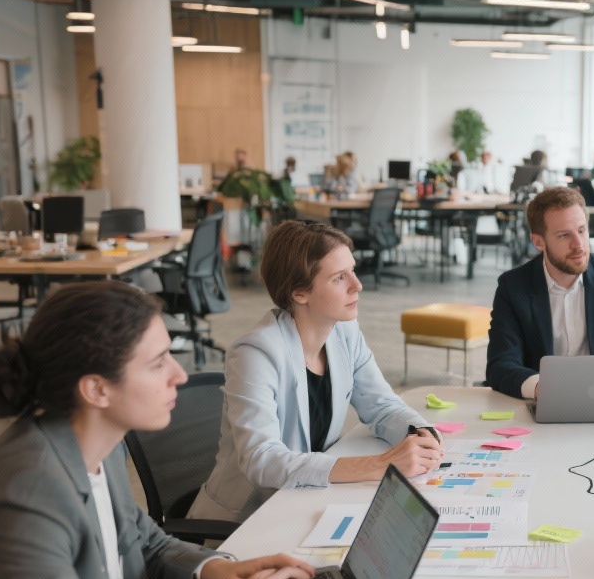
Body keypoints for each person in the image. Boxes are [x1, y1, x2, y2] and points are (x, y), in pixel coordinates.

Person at [0, 281, 316, 579]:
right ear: (96, 389)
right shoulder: (24, 500)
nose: (179, 374)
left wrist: (221, 570)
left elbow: (142, 541)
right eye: (157, 363)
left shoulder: (99, 447)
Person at [190, 221, 443, 523]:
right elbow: (262, 460)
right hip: (249, 519)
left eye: (353, 270)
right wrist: (380, 465)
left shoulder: (344, 331)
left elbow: (382, 405)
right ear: (300, 293)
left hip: (309, 499)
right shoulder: (255, 353)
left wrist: (421, 433)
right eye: (339, 278)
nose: (357, 284)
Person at [486, 186, 594, 398]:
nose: (578, 245)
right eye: (563, 236)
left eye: (581, 230)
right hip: (541, 403)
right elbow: (500, 365)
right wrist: (541, 388)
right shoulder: (513, 287)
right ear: (538, 241)